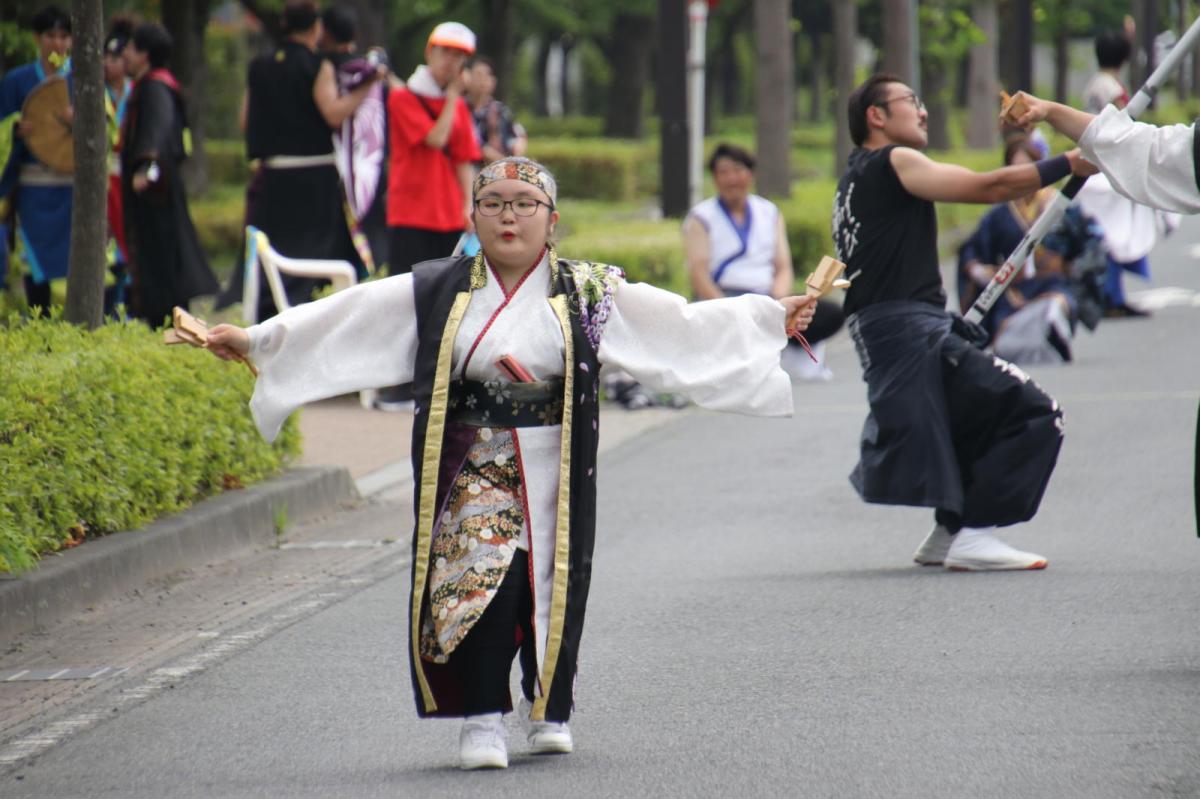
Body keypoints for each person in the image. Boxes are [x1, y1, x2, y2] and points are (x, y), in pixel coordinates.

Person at [203, 156, 817, 770]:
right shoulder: (439, 287)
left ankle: (548, 706)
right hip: (473, 459)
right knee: (481, 583)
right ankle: (482, 717)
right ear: (473, 216)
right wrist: (258, 341)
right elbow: (348, 319)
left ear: (552, 221)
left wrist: (767, 316)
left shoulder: (591, 290)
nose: (509, 215)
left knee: (546, 581)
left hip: (556, 459)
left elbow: (680, 325)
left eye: (525, 203)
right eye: (493, 202)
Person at [832, 74, 1089, 571]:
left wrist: (940, 321)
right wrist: (1070, 163)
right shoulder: (894, 161)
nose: (924, 111)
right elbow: (988, 186)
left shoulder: (852, 182)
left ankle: (949, 532)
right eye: (913, 101)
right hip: (907, 334)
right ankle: (975, 532)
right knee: (1035, 411)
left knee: (972, 419)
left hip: (896, 331)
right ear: (876, 117)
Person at [233, 0, 381, 320]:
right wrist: (365, 88)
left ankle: (270, 315)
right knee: (314, 254)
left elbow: (246, 120)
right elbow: (332, 112)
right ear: (316, 29)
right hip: (314, 177)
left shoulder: (259, 65)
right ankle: (309, 317)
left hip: (272, 176)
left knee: (276, 251)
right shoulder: (318, 64)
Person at [376, 21, 481, 410]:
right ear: (429, 53)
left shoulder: (455, 105)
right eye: (446, 52)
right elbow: (436, 139)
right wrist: (454, 97)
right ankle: (398, 386)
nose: (451, 61)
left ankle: (437, 382)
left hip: (447, 215)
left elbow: (463, 156)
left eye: (459, 56)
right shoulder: (404, 98)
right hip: (411, 212)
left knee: (448, 303)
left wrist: (468, 204)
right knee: (406, 300)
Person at [684, 142, 844, 381]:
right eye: (723, 172)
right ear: (715, 178)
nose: (731, 179)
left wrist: (778, 303)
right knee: (723, 325)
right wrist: (730, 311)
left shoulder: (768, 212)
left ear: (751, 174)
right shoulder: (701, 217)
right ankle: (764, 342)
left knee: (830, 313)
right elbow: (699, 274)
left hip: (764, 298)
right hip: (723, 300)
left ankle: (771, 341)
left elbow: (782, 266)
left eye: (737, 171)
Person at [956, 136, 1106, 364]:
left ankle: (1054, 336)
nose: (1021, 173)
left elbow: (1087, 243)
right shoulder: (999, 214)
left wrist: (1073, 268)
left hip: (1053, 285)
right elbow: (975, 249)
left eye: (1027, 166)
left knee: (1056, 308)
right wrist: (978, 270)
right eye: (1014, 167)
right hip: (1014, 289)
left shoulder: (1059, 206)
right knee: (1005, 338)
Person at [118, 23, 218, 327]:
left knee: (160, 254)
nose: (125, 53)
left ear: (144, 54)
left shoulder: (155, 87)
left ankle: (164, 320)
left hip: (155, 188)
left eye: (131, 47)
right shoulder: (155, 84)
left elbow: (157, 131)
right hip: (160, 185)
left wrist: (146, 168)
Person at [1074, 30, 1168, 319]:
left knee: (1102, 233)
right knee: (1115, 233)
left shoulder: (1092, 85)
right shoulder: (1113, 90)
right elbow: (1123, 126)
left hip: (1091, 164)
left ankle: (1110, 295)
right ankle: (1112, 295)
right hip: (1108, 167)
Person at [0, 5, 73, 312]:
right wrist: (15, 125)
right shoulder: (17, 81)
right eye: (50, 36)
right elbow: (2, 128)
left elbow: (108, 130)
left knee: (72, 261)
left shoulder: (83, 81)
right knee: (34, 262)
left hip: (73, 188)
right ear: (37, 39)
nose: (57, 43)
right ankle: (38, 320)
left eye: (63, 36)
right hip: (32, 187)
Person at [320, 5, 389, 275]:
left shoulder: (332, 69)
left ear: (324, 32)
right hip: (371, 164)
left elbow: (335, 115)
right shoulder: (367, 70)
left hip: (343, 168)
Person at [103, 15, 135, 315]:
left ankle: (127, 301)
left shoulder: (138, 92)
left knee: (130, 238)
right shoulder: (93, 93)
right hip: (102, 175)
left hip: (127, 176)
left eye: (117, 57)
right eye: (107, 57)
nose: (110, 63)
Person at [465, 56, 527, 163]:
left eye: (487, 75)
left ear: (493, 81)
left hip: (500, 168)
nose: (483, 80)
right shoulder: (461, 108)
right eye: (478, 75)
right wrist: (503, 163)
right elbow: (478, 146)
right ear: (467, 78)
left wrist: (518, 145)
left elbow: (519, 134)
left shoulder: (500, 110)